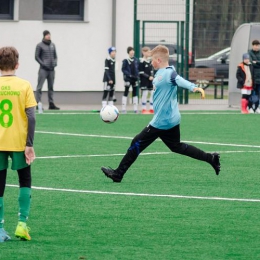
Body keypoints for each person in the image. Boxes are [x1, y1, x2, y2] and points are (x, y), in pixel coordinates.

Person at [101, 45, 220, 183]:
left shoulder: (168, 74)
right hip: (172, 119)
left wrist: (195, 88)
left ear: (158, 60)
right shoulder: (163, 71)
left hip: (161, 122)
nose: (151, 62)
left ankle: (118, 174)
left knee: (136, 143)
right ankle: (211, 158)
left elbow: (179, 80)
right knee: (177, 146)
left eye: (152, 59)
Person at [0, 46, 36, 242]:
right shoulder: (24, 85)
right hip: (19, 142)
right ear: (17, 64)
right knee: (25, 180)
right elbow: (31, 116)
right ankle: (22, 225)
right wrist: (29, 143)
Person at [35, 30, 60, 111]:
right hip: (43, 70)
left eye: (49, 34)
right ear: (44, 36)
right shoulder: (40, 45)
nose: (48, 36)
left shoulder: (53, 45)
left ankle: (51, 104)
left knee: (51, 87)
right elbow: (37, 57)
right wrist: (43, 64)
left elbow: (55, 56)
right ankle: (37, 103)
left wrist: (55, 63)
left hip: (52, 70)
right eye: (47, 35)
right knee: (39, 87)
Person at [121, 46, 139, 113]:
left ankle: (135, 109)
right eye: (131, 51)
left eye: (133, 51)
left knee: (135, 93)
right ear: (128, 52)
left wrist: (137, 76)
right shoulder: (125, 60)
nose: (132, 52)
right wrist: (129, 75)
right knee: (126, 92)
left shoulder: (136, 60)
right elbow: (123, 69)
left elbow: (137, 69)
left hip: (135, 79)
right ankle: (123, 108)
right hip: (128, 79)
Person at [139, 46, 154, 114]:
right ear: (143, 52)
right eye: (147, 52)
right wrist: (148, 77)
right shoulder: (141, 61)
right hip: (144, 80)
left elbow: (151, 70)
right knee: (144, 94)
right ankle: (144, 108)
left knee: (152, 93)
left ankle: (151, 108)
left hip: (150, 80)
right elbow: (141, 72)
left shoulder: (150, 61)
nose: (149, 53)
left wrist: (152, 76)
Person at [248, 39, 260, 113]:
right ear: (252, 46)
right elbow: (251, 62)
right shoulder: (249, 53)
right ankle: (250, 107)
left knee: (258, 93)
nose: (257, 47)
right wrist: (256, 63)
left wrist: (256, 62)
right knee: (251, 93)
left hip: (259, 77)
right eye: (255, 45)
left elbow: (255, 63)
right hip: (252, 77)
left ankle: (257, 107)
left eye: (258, 45)